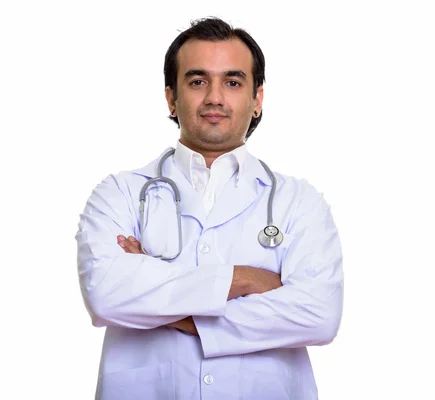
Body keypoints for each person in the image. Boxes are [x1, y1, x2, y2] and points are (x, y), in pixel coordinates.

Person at [75, 17, 344, 400]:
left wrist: (162, 296)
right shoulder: (118, 193)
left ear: (257, 100)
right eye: (198, 81)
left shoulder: (299, 202)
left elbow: (319, 316)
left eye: (232, 82)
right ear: (171, 97)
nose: (215, 97)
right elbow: (107, 295)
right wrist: (249, 278)